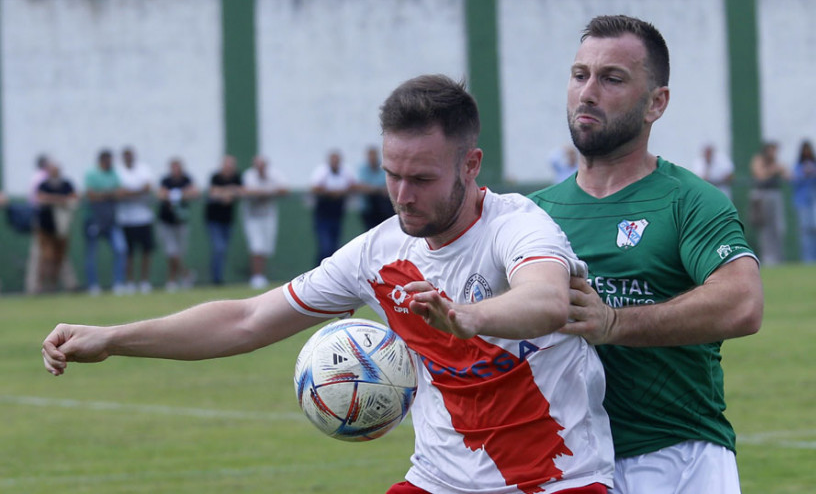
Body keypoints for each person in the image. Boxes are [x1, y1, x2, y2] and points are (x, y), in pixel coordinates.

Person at [43, 74, 614, 494]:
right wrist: (114, 337)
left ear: (471, 165)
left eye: (422, 178)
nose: (402, 194)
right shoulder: (377, 252)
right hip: (440, 482)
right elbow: (245, 320)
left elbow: (544, 301)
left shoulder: (517, 226)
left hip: (558, 481)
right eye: (392, 174)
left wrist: (468, 318)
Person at [528, 16, 763, 494]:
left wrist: (613, 323)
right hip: (566, 466)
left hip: (681, 457)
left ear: (657, 102)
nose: (588, 92)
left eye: (611, 78)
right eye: (579, 75)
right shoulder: (530, 216)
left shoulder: (688, 200)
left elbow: (742, 302)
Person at [25, 155, 79, 294]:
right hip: (45, 227)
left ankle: (62, 285)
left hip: (61, 228)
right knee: (44, 257)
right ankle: (38, 287)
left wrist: (54, 200)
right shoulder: (43, 184)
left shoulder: (66, 184)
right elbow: (40, 198)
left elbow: (73, 199)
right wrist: (61, 200)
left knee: (60, 257)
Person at [83, 149, 127, 295]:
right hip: (94, 219)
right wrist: (109, 193)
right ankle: (93, 286)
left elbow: (120, 193)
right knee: (92, 254)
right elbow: (91, 195)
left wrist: (103, 194)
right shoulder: (91, 174)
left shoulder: (114, 173)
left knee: (120, 249)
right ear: (101, 161)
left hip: (111, 220)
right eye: (107, 161)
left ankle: (118, 283)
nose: (110, 163)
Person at [242, 155, 289, 289]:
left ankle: (262, 275)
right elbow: (248, 191)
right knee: (256, 247)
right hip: (252, 217)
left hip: (268, 216)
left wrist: (266, 192)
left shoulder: (274, 174)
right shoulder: (249, 175)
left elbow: (284, 189)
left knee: (266, 247)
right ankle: (256, 276)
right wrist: (266, 192)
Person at [116, 147, 157, 294]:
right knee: (129, 253)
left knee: (146, 251)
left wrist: (130, 193)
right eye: (126, 156)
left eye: (130, 156)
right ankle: (130, 282)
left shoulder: (144, 169)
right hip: (126, 219)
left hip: (144, 217)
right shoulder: (118, 172)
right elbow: (119, 191)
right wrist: (136, 192)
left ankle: (144, 281)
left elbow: (147, 187)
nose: (129, 158)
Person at [158, 157, 200, 291]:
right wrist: (173, 195)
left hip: (181, 222)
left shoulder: (186, 179)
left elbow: (194, 193)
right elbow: (161, 194)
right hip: (166, 221)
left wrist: (179, 194)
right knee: (171, 252)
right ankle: (184, 274)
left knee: (179, 252)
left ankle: (174, 280)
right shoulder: (166, 180)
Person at [310, 150, 355, 263]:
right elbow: (315, 187)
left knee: (335, 247)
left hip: (338, 214)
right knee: (325, 246)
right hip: (323, 214)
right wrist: (331, 193)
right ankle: (318, 271)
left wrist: (342, 192)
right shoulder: (322, 171)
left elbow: (354, 186)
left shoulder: (346, 171)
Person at [205, 155, 243, 286]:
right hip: (213, 219)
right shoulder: (215, 177)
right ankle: (216, 279)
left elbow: (241, 191)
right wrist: (229, 192)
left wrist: (227, 192)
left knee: (223, 249)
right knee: (219, 248)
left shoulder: (237, 177)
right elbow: (213, 192)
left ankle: (218, 276)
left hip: (228, 220)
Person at [749, 141, 790, 265]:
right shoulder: (758, 160)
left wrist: (779, 169)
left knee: (778, 227)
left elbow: (787, 175)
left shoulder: (777, 163)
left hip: (775, 195)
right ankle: (768, 259)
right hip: (762, 196)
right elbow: (760, 175)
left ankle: (778, 258)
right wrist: (773, 170)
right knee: (765, 230)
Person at [791, 140, 816, 263]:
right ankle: (808, 260)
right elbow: (793, 179)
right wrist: (804, 173)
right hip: (803, 202)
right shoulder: (798, 166)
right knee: (805, 231)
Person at [356, 145, 393, 230]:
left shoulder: (384, 167)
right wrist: (378, 189)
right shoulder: (363, 169)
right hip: (368, 207)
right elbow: (360, 186)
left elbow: (388, 187)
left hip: (383, 208)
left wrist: (372, 189)